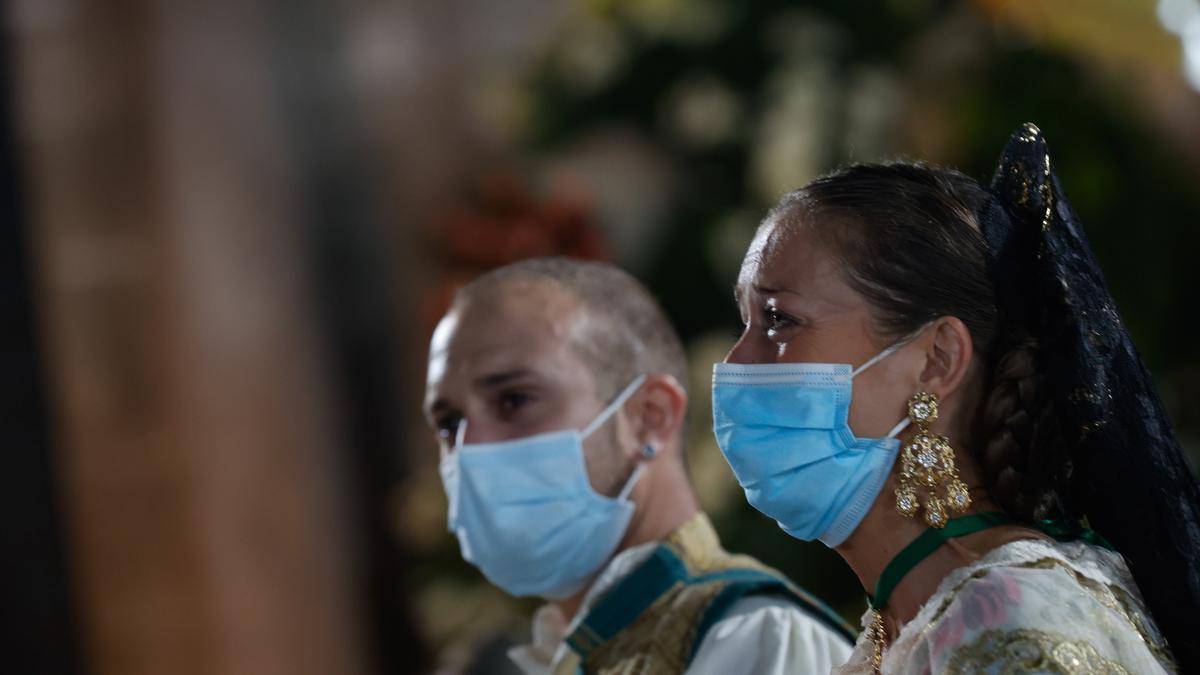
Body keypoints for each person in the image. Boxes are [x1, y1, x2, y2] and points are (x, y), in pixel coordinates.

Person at [711, 123, 1197, 673]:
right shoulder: (902, 629)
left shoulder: (1016, 621)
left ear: (936, 359)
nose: (735, 366)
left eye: (779, 320)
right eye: (745, 322)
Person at [424, 257, 855, 675]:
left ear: (650, 418)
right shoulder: (555, 655)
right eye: (449, 423)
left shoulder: (755, 640)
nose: (469, 448)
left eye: (514, 400)